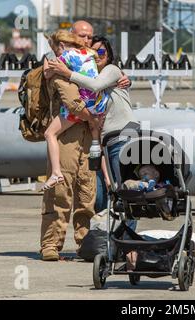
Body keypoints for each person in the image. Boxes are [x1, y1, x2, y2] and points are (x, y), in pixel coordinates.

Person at [39, 22, 130, 262]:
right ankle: (51, 244)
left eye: (90, 36)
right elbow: (71, 100)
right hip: (67, 136)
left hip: (90, 137)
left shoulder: (88, 62)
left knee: (86, 194)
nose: (87, 40)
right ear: (72, 37)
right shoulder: (61, 60)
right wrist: (91, 118)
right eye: (82, 36)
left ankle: (85, 244)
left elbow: (102, 82)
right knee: (60, 192)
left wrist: (123, 78)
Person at [40, 30, 107, 191]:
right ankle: (107, 177)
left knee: (50, 134)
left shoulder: (67, 55)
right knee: (99, 143)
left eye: (56, 49)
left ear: (61, 45)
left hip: (82, 104)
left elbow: (48, 73)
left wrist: (48, 61)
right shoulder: (89, 52)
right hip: (97, 103)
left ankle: (56, 173)